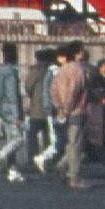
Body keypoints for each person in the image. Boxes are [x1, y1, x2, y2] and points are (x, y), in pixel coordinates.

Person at [49, 40, 89, 189]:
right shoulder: (78, 70)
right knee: (76, 144)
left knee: (71, 143)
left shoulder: (61, 70)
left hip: (63, 110)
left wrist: (59, 108)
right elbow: (74, 91)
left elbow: (53, 91)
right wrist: (67, 108)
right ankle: (74, 176)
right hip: (76, 110)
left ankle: (63, 165)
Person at [0, 43, 27, 183]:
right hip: (11, 109)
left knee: (10, 139)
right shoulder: (11, 72)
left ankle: (13, 170)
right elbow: (13, 94)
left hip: (1, 108)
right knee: (19, 138)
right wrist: (16, 116)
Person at [34, 45, 68, 174]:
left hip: (51, 108)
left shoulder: (50, 71)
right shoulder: (55, 71)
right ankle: (44, 157)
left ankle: (48, 159)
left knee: (57, 137)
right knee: (59, 138)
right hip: (56, 109)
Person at [23, 48, 52, 164]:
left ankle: (32, 157)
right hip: (51, 107)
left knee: (32, 134)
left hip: (37, 107)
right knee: (48, 134)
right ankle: (47, 157)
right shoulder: (53, 70)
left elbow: (28, 87)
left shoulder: (36, 70)